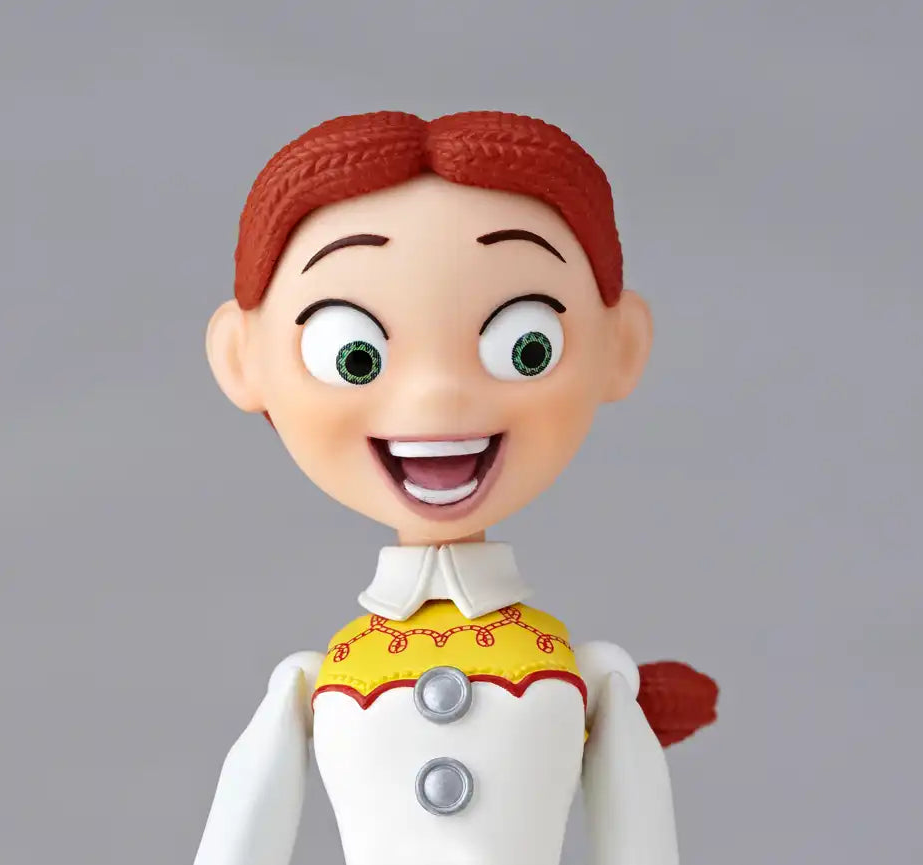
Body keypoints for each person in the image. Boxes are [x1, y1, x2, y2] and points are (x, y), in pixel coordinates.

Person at [195, 110, 718, 865]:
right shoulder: (318, 680)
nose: (438, 397)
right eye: (353, 355)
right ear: (241, 359)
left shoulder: (580, 673)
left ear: (621, 345)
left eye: (526, 346)